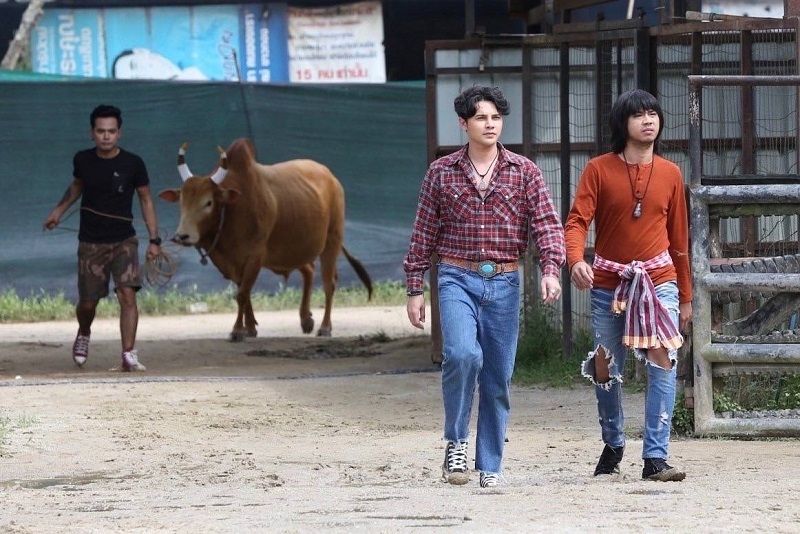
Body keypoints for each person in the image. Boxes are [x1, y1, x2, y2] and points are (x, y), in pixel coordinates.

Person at [404, 86, 565, 488]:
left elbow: (547, 225)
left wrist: (550, 269)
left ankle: (490, 464)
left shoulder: (524, 171)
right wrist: (414, 287)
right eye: (481, 118)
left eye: (495, 117)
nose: (490, 124)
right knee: (461, 354)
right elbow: (423, 231)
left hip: (506, 280)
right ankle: (457, 440)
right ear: (464, 124)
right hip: (456, 275)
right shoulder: (441, 172)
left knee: (497, 376)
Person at [564, 89, 692, 482]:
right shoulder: (598, 170)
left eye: (653, 113)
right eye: (638, 115)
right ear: (623, 123)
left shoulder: (671, 173)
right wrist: (575, 260)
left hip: (659, 281)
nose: (648, 120)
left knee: (663, 358)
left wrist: (686, 296)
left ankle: (655, 457)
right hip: (609, 283)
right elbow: (577, 222)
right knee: (605, 366)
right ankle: (614, 442)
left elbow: (680, 241)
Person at [43, 104, 162, 372]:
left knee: (127, 294)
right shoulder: (82, 160)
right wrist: (58, 211)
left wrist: (154, 241)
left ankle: (128, 353)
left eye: (111, 131)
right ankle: (84, 332)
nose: (106, 136)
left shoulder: (133, 163)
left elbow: (146, 199)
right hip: (91, 242)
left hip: (124, 241)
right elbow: (77, 186)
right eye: (100, 131)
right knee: (88, 303)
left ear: (119, 133)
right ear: (92, 133)